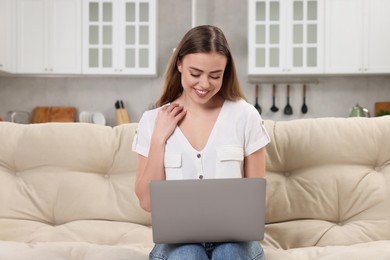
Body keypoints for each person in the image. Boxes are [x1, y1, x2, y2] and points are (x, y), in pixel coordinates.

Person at [132, 25, 270, 260]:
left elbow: (256, 200)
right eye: (195, 73)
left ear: (225, 72)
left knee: (230, 253)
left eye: (215, 75)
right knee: (187, 255)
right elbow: (146, 201)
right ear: (179, 65)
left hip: (234, 240)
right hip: (178, 244)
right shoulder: (152, 120)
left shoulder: (245, 116)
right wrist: (158, 139)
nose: (204, 84)